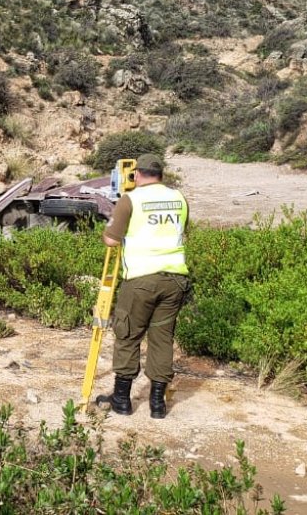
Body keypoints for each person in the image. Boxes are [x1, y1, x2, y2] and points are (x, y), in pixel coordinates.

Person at [97, 153, 190, 419]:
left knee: (128, 335)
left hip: (141, 279)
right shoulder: (179, 199)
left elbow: (112, 241)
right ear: (161, 174)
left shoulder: (131, 199)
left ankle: (122, 400)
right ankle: (158, 405)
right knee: (162, 339)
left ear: (136, 174)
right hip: (174, 279)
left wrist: (113, 223)